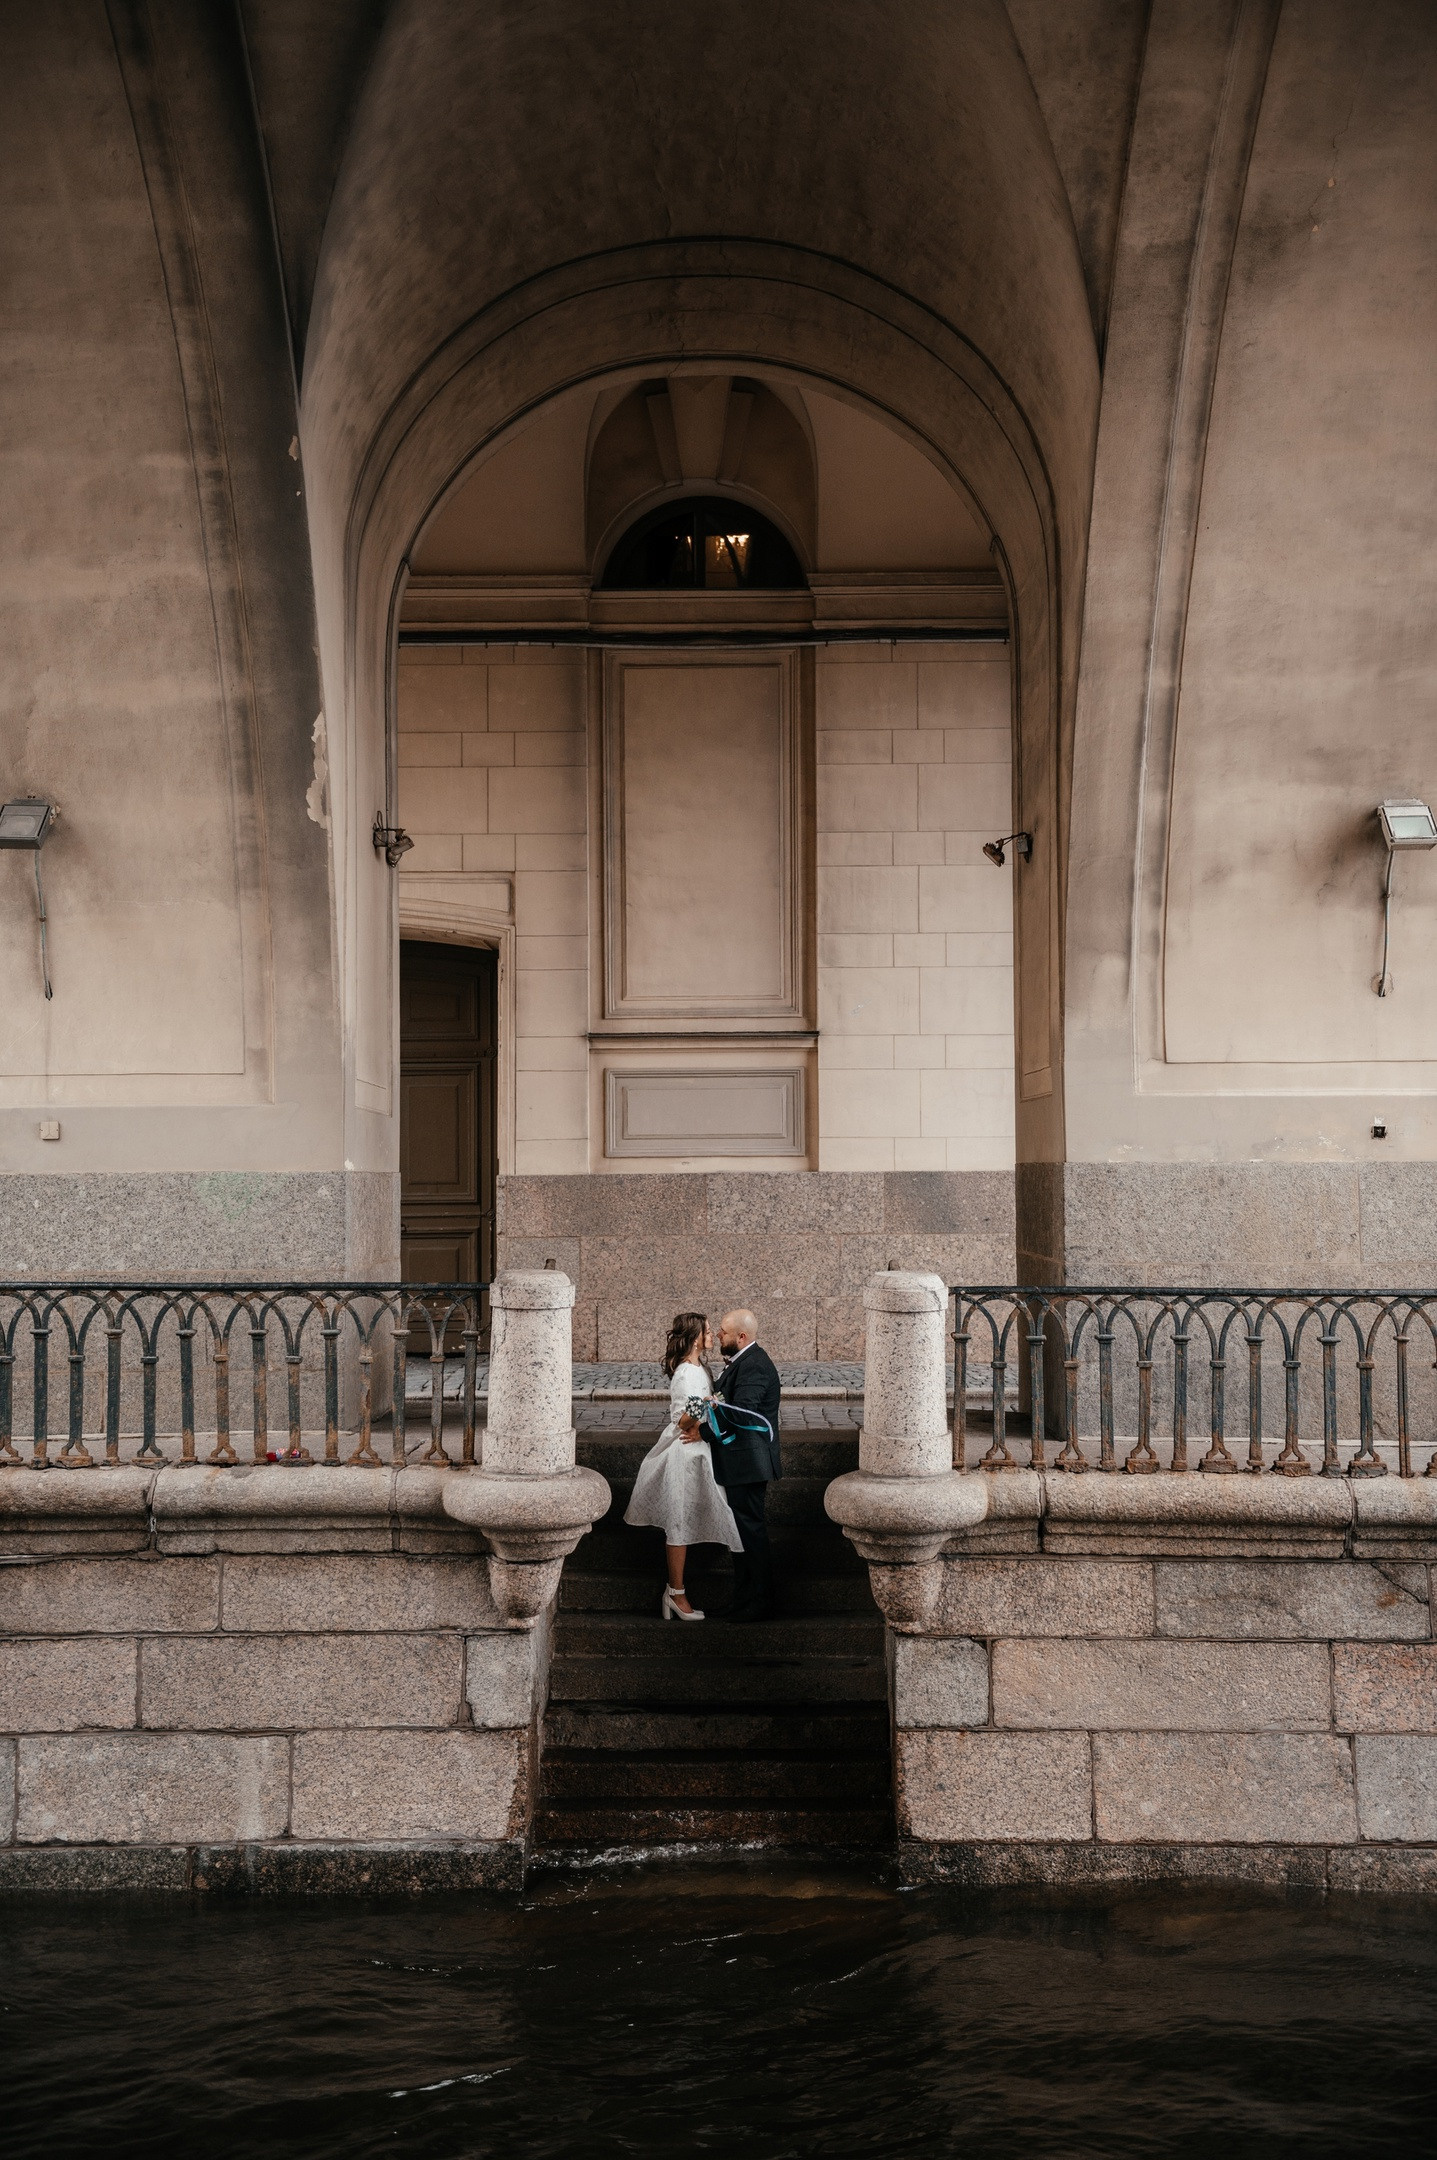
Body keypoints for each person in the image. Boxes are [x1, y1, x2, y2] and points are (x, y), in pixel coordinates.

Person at [623, 1311, 742, 1620]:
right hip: (686, 1453)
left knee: (688, 1518)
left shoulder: (697, 1368)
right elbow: (683, 1419)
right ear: (694, 1338)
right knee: (679, 1521)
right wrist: (708, 1402)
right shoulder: (688, 1373)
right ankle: (675, 1593)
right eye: (707, 1331)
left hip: (697, 1450)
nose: (712, 1335)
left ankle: (675, 1592)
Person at [690, 1307, 782, 1622]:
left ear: (741, 1337)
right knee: (742, 1533)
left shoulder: (754, 1365)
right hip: (740, 1462)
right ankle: (744, 1598)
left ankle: (759, 1601)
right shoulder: (741, 1363)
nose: (718, 1335)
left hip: (748, 1463)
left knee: (750, 1533)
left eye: (724, 1332)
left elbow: (742, 1413)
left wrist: (702, 1431)